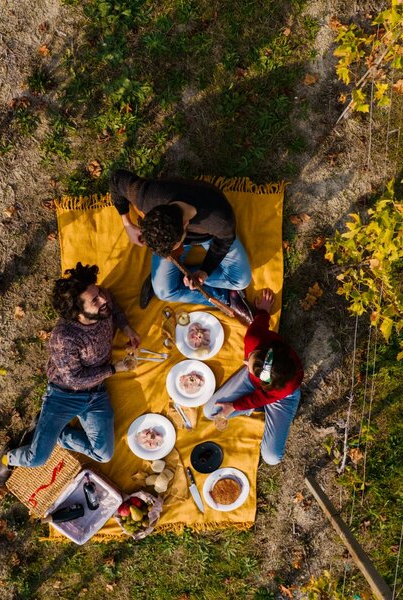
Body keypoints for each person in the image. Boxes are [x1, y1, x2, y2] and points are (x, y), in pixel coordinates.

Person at [0, 262, 140, 487]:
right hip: (64, 395)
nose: (103, 300)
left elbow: (114, 308)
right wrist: (114, 369)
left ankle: (58, 434)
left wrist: (127, 328)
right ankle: (7, 458)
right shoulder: (64, 337)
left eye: (100, 293)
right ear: (78, 312)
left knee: (104, 454)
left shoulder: (104, 304)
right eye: (95, 301)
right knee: (37, 458)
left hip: (96, 392)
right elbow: (74, 379)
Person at [110, 169, 253, 320]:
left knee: (241, 280)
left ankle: (178, 277)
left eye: (175, 248)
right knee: (162, 291)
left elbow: (224, 242)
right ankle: (226, 297)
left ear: (186, 225)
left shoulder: (219, 220)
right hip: (171, 232)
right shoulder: (147, 196)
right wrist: (127, 224)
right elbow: (116, 179)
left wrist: (205, 271)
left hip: (208, 237)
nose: (175, 252)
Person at [202, 288, 303, 465]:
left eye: (248, 363)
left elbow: (262, 397)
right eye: (251, 358)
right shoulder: (254, 338)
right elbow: (260, 323)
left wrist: (235, 405)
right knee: (210, 411)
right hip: (257, 386)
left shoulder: (289, 382)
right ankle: (253, 407)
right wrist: (263, 311)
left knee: (272, 458)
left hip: (281, 397)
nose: (245, 361)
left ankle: (259, 409)